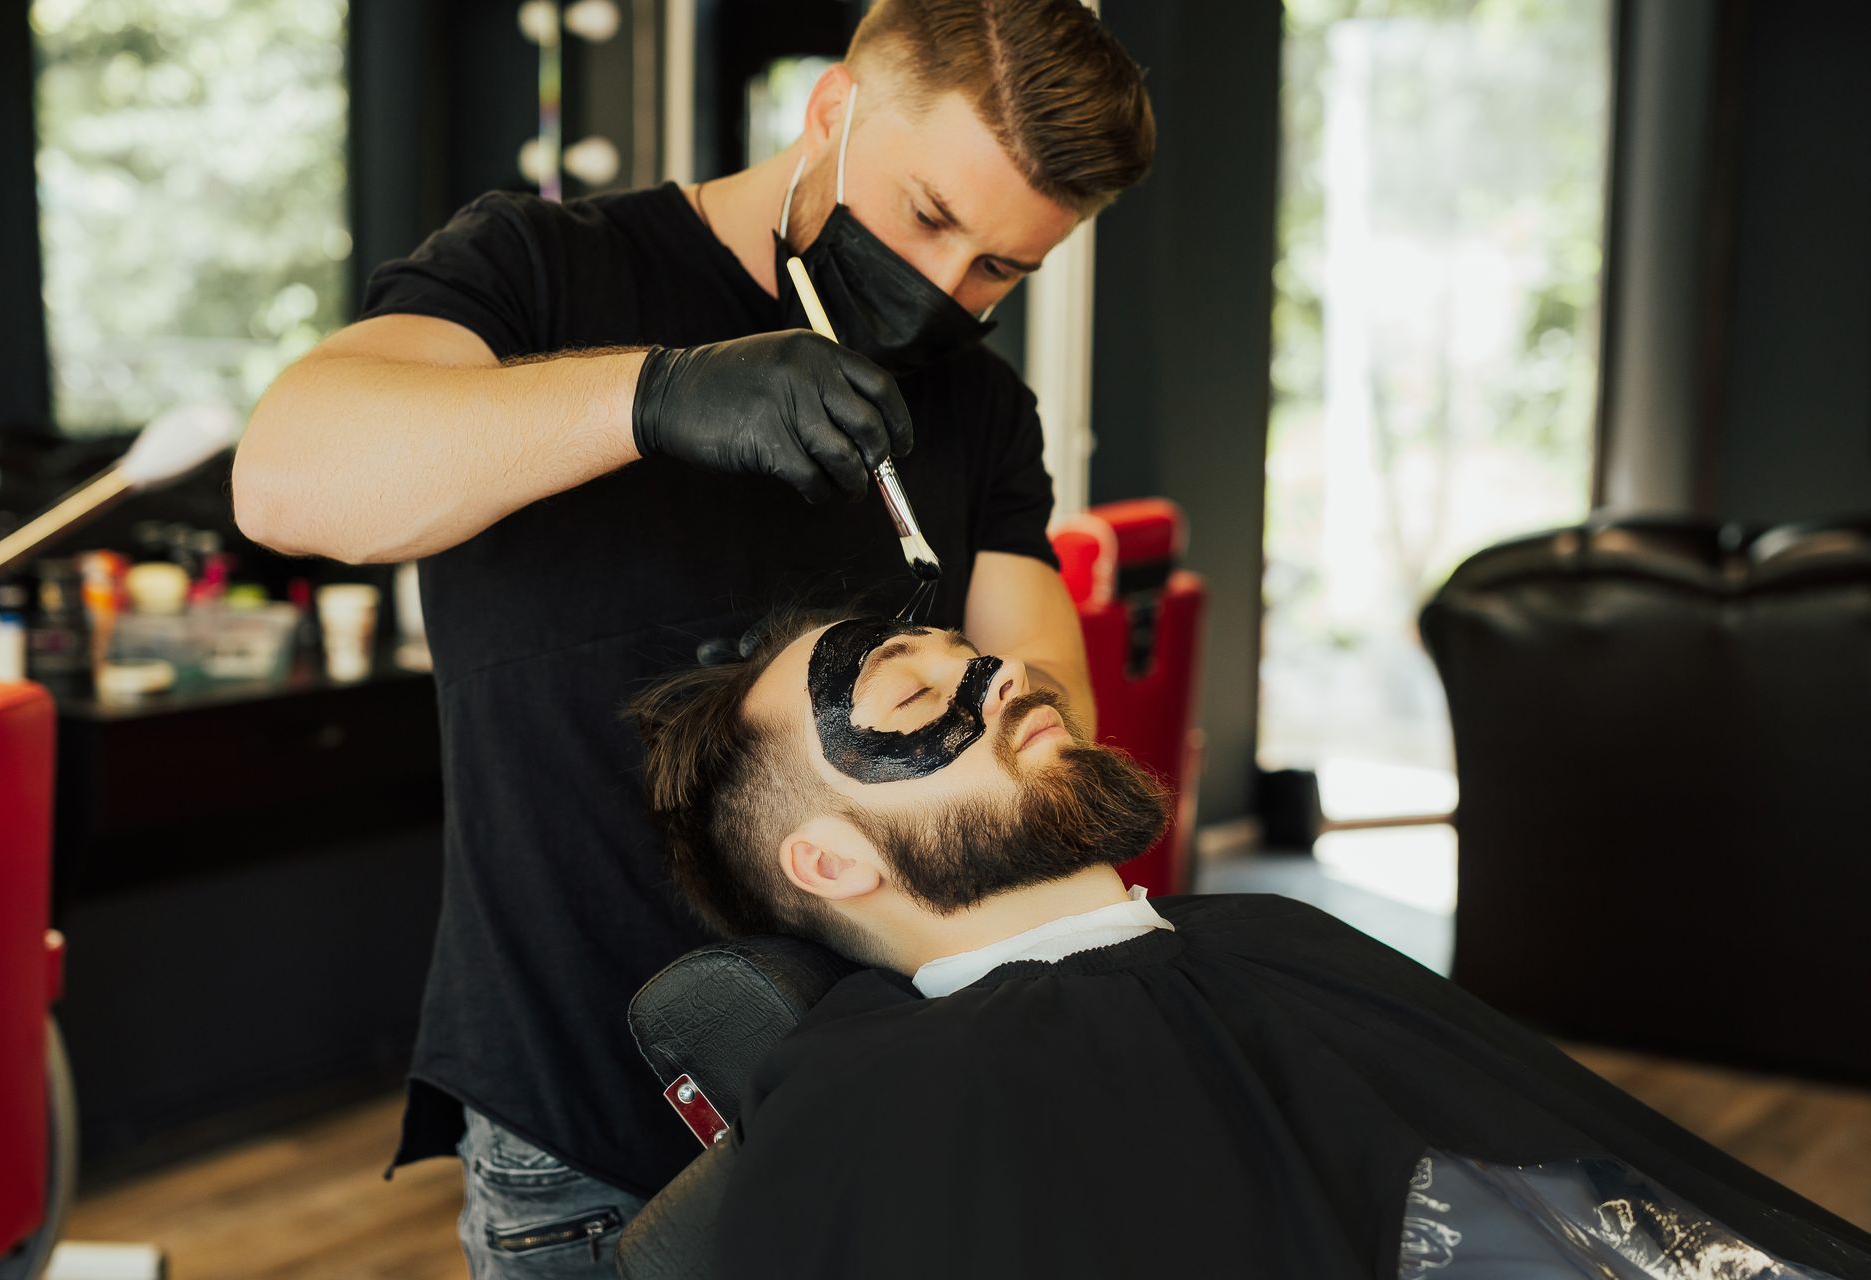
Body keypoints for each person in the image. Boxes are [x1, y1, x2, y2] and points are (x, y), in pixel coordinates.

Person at [231, 0, 1153, 1272]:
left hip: (890, 1097)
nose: (947, 290)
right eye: (930, 216)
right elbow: (286, 481)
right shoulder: (542, 268)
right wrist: (655, 393)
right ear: (832, 112)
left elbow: (1052, 703)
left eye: (1001, 268)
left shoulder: (980, 404)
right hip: (585, 1123)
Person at [623, 608, 1871, 1280]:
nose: (1000, 672)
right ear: (834, 860)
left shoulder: (1259, 937)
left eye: (972, 649)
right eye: (909, 694)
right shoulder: (907, 1101)